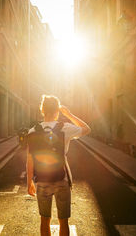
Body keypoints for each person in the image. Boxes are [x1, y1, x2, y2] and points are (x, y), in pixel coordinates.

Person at [26, 95, 91, 236]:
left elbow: (30, 159)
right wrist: (69, 114)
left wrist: (29, 181)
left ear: (42, 110)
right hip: (62, 181)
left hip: (42, 181)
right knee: (63, 221)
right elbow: (86, 129)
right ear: (57, 111)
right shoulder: (64, 128)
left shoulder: (33, 131)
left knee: (44, 220)